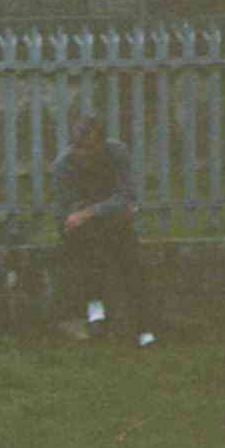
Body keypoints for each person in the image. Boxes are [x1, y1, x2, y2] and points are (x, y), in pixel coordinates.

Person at [53, 113, 156, 348]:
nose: (84, 154)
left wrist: (91, 212)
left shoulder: (117, 153)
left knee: (133, 263)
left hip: (113, 222)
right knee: (88, 248)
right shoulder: (64, 164)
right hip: (85, 229)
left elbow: (126, 196)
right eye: (79, 147)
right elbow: (66, 211)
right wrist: (91, 214)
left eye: (90, 148)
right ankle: (95, 309)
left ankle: (144, 328)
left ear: (102, 143)